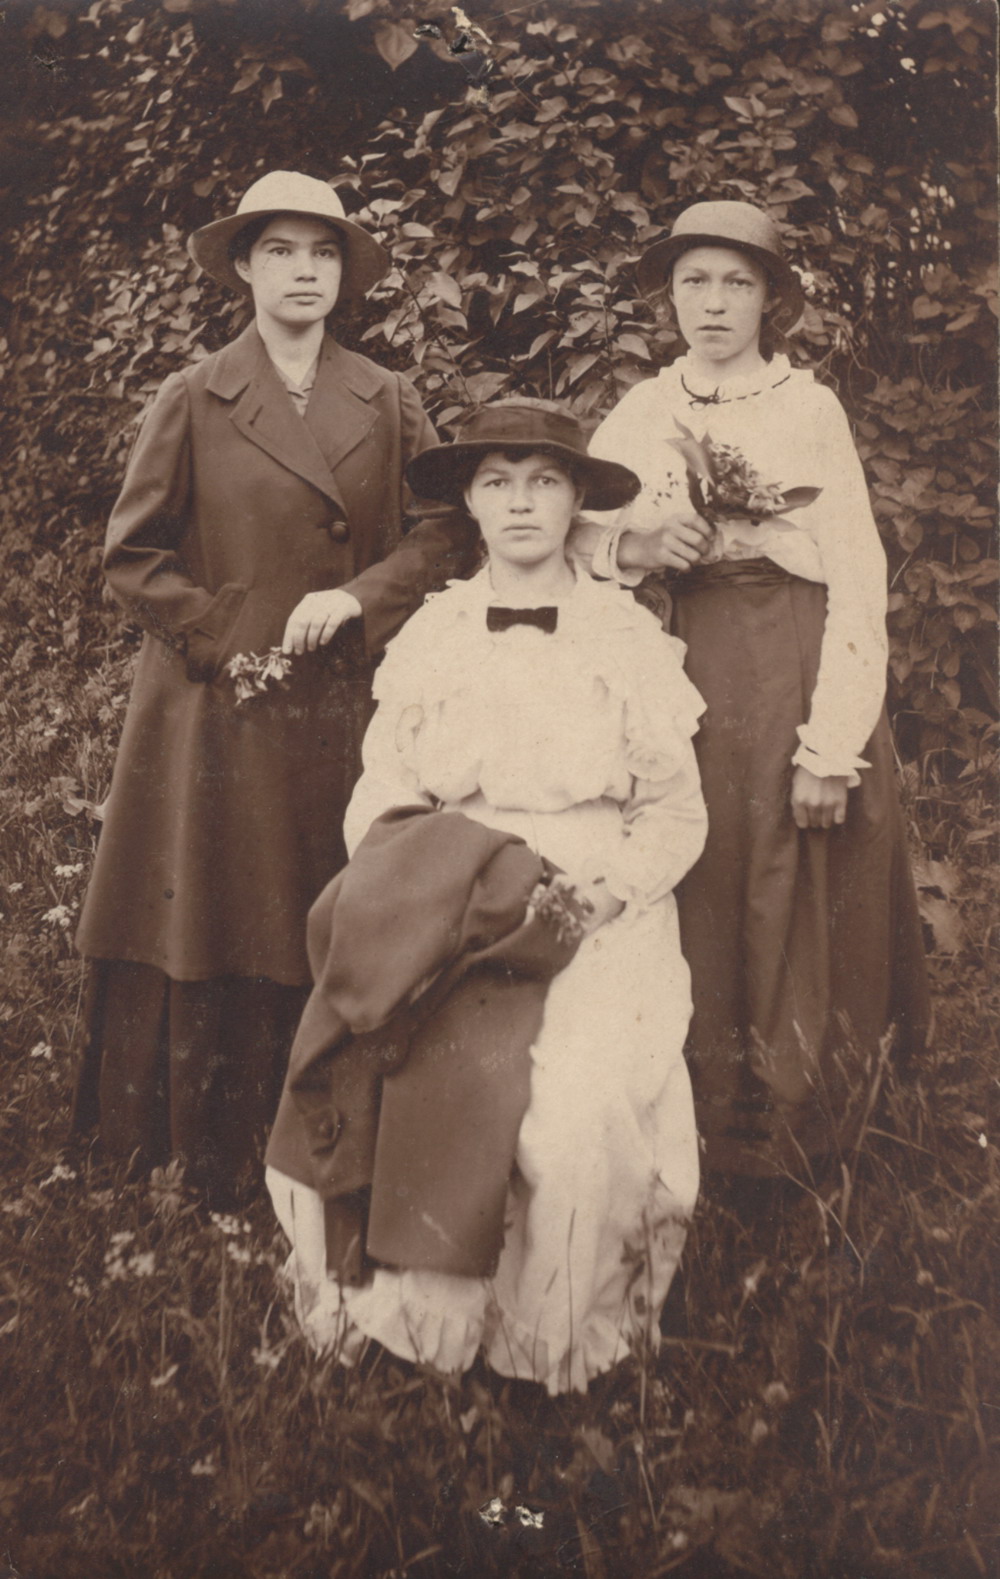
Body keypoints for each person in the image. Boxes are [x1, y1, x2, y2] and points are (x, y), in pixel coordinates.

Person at [265, 399, 708, 1393]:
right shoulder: (434, 635)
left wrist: (604, 895)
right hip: (452, 894)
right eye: (497, 482)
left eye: (544, 482)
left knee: (572, 1105)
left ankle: (551, 1339)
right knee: (409, 1066)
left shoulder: (625, 636)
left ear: (577, 501)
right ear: (469, 499)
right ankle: (415, 1322)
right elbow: (381, 794)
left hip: (590, 899)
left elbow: (678, 814)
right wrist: (416, 888)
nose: (520, 503)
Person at [74, 171, 473, 1202]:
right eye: (283, 251)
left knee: (317, 899)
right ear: (245, 267)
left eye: (324, 252)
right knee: (217, 906)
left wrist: (358, 597)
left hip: (340, 699)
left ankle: (319, 1145)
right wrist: (225, 635)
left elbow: (444, 532)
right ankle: (198, 1150)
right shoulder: (193, 393)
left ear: (344, 274)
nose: (305, 271)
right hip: (216, 708)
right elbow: (132, 555)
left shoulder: (387, 397)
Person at [580, 200, 930, 1180]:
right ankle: (698, 1118)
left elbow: (856, 576)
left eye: (737, 283)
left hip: (793, 663)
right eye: (694, 280)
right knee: (702, 866)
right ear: (668, 295)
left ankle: (800, 1123)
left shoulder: (805, 408)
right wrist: (639, 543)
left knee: (793, 862)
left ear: (771, 300)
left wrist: (832, 744)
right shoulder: (644, 411)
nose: (714, 303)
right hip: (685, 663)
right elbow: (567, 530)